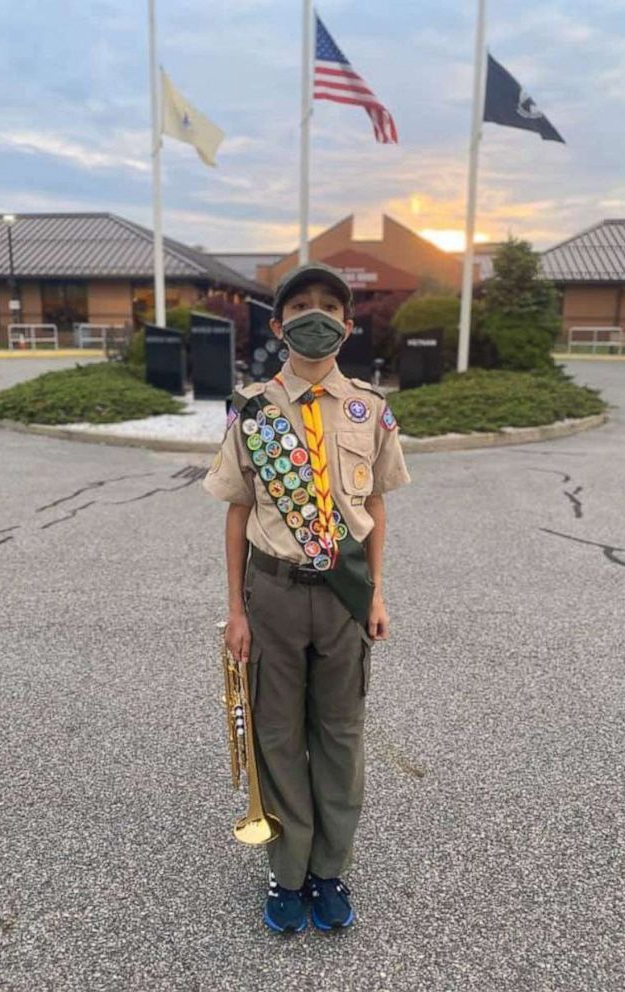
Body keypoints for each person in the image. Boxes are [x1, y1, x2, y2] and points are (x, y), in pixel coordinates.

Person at [203, 261, 410, 933]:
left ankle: (329, 868)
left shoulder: (370, 409)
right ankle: (288, 872)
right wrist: (236, 610)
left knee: (342, 735)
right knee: (278, 735)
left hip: (345, 597)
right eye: (301, 306)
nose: (315, 316)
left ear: (348, 327)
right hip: (275, 594)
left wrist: (374, 594)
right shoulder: (253, 408)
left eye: (330, 307)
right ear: (278, 324)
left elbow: (373, 503)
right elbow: (237, 513)